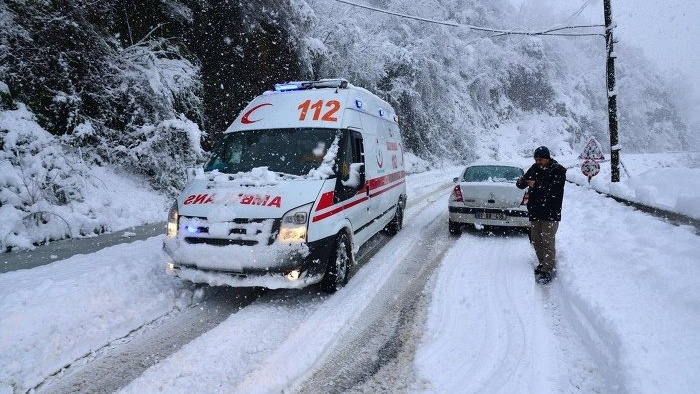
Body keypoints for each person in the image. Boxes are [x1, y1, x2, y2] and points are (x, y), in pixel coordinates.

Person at [516, 146, 567, 284]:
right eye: (536, 159)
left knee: (548, 242)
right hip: (535, 211)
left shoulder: (559, 170)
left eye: (540, 159)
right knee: (536, 241)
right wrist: (521, 182)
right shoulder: (534, 168)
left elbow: (554, 189)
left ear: (547, 158)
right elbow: (523, 183)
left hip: (550, 212)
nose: (538, 162)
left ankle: (547, 270)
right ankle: (542, 264)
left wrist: (536, 184)